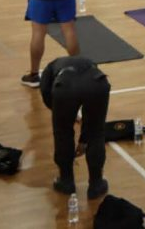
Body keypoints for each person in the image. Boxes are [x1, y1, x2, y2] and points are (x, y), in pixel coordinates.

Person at [40, 57, 111, 199]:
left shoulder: (49, 69)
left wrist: (62, 113)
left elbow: (47, 95)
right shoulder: (89, 62)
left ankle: (66, 181)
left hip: (65, 88)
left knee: (62, 133)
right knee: (96, 133)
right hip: (98, 83)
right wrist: (84, 139)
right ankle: (96, 184)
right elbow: (90, 121)